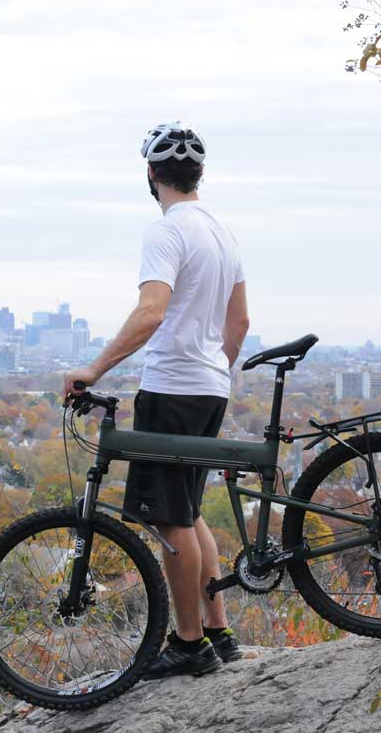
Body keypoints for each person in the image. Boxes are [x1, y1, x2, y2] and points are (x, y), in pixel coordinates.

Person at [63, 121, 250, 679]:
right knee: (189, 514)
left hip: (173, 385)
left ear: (151, 174)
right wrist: (215, 368)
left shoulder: (166, 232)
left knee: (170, 521)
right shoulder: (221, 232)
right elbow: (239, 322)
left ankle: (189, 645)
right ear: (199, 174)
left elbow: (151, 312)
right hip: (210, 386)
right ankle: (218, 631)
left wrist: (93, 368)